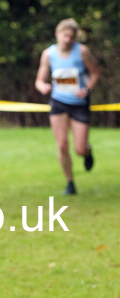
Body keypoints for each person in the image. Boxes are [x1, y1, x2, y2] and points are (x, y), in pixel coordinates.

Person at [35, 18, 100, 195]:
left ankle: (87, 152)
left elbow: (95, 72)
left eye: (71, 37)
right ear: (57, 34)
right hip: (58, 102)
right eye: (65, 36)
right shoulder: (49, 54)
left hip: (79, 104)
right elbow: (39, 80)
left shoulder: (82, 52)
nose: (67, 40)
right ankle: (70, 183)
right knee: (62, 145)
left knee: (79, 148)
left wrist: (87, 88)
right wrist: (43, 86)